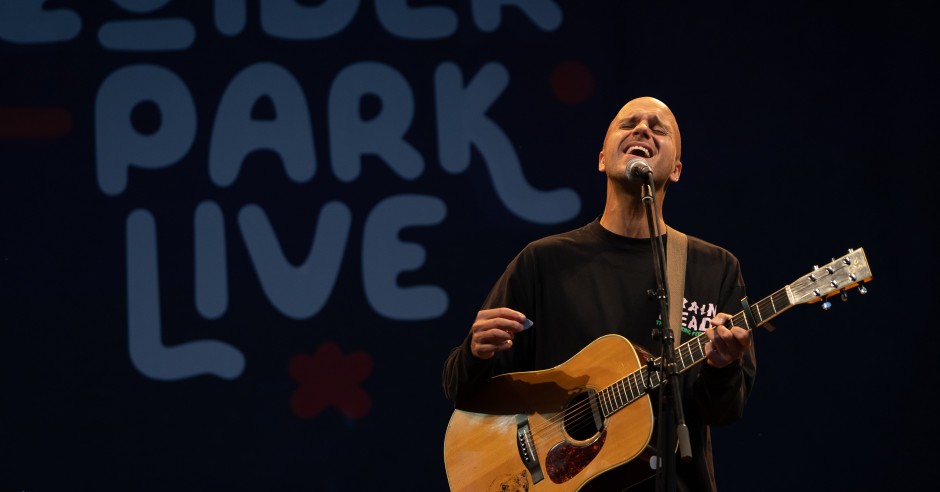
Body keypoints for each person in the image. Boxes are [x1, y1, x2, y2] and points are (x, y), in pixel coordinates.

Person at [442, 96, 756, 492]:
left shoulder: (713, 268)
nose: (642, 129)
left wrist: (722, 366)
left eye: (659, 128)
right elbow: (462, 392)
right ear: (602, 159)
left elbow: (723, 411)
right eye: (628, 124)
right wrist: (476, 355)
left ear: (676, 170)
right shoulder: (544, 262)